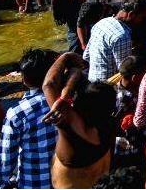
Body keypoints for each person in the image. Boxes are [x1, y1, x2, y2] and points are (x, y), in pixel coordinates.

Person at [41, 51, 117, 188]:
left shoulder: (71, 125)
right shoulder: (109, 123)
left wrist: (66, 57)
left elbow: (49, 85)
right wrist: (67, 91)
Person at [0, 48, 59, 189]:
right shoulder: (70, 102)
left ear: (24, 80)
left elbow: (5, 161)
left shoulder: (17, 113)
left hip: (34, 183)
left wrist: (1, 183)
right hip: (68, 181)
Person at [84, 0, 146, 82]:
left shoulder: (101, 23)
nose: (142, 21)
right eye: (142, 17)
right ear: (131, 14)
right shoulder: (122, 36)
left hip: (92, 79)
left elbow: (86, 56)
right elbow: (126, 71)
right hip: (109, 84)